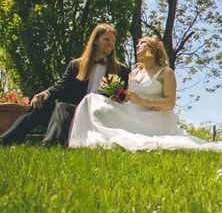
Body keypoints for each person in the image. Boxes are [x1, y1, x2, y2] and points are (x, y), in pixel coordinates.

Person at [68, 36, 222, 151]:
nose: (137, 46)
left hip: (154, 119)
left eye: (142, 44)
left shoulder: (165, 73)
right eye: (137, 44)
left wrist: (141, 100)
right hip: (132, 113)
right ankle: (83, 142)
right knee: (93, 100)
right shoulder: (133, 73)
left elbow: (169, 104)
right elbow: (129, 99)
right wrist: (116, 94)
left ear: (153, 49)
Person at [0, 24, 130, 146]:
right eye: (106, 39)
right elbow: (62, 85)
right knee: (40, 104)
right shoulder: (76, 65)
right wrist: (45, 93)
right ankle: (5, 140)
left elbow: (122, 98)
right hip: (74, 114)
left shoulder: (121, 70)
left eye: (113, 41)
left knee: (62, 106)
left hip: (97, 117)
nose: (110, 44)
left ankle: (50, 143)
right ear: (95, 40)